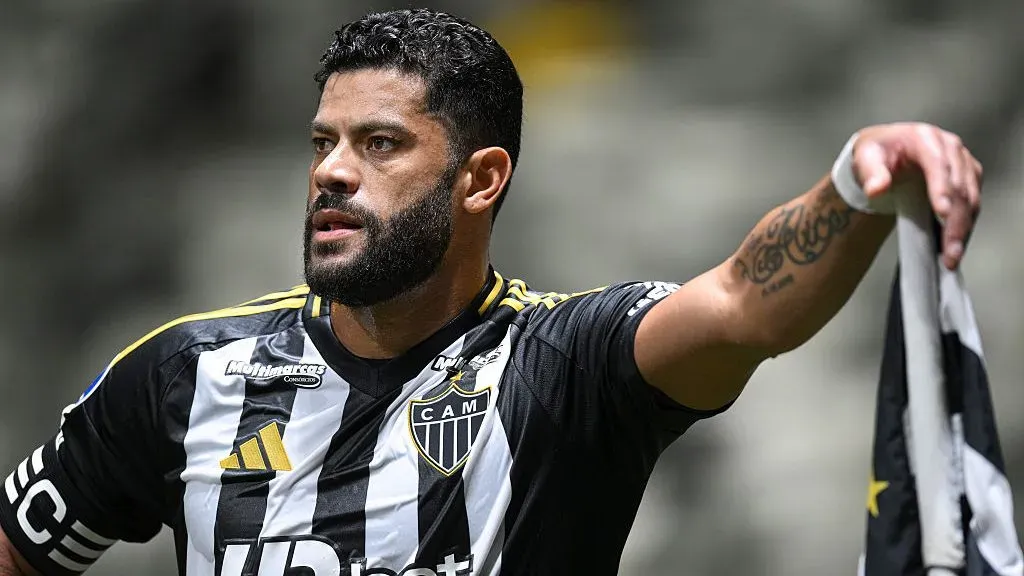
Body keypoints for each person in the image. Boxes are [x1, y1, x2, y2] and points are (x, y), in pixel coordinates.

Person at [0, 8, 984, 576]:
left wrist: (856, 184)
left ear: (480, 180)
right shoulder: (185, 374)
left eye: (379, 143)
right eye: (322, 142)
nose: (331, 171)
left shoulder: (564, 366)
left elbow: (743, 304)